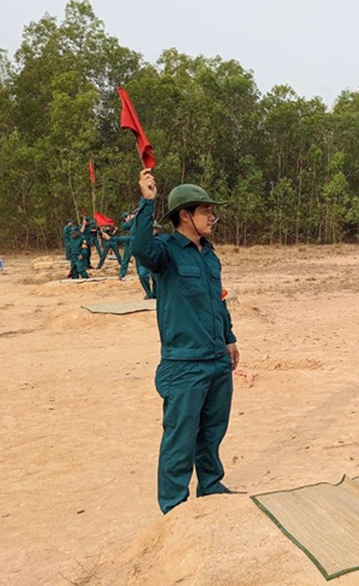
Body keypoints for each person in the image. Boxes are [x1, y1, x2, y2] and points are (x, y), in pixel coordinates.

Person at [131, 168, 240, 514]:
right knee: (180, 438)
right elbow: (140, 247)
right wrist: (147, 202)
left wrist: (229, 339)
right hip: (184, 364)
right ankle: (174, 507)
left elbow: (217, 301)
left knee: (211, 432)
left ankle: (210, 485)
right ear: (184, 215)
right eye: (206, 211)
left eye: (212, 211)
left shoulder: (209, 254)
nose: (212, 217)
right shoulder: (165, 253)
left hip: (216, 359)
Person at [136, 221, 162, 299]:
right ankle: (148, 293)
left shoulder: (159, 239)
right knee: (142, 275)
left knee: (156, 278)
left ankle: (156, 293)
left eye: (155, 229)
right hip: (144, 262)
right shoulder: (142, 239)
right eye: (152, 229)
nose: (154, 231)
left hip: (155, 262)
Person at [118, 211, 135, 279]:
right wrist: (133, 218)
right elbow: (128, 225)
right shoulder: (124, 224)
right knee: (126, 259)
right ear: (125, 218)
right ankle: (122, 274)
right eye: (128, 216)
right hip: (128, 243)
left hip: (134, 242)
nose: (130, 217)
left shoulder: (132, 222)